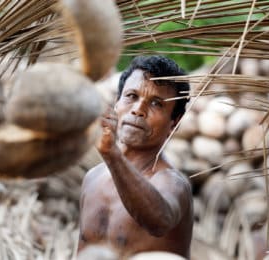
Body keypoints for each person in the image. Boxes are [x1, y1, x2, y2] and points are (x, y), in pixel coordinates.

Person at [77, 55, 193, 259]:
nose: (139, 110)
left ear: (174, 122)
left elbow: (159, 221)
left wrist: (112, 154)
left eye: (156, 103)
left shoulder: (173, 184)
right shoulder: (92, 178)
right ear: (116, 103)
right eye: (131, 96)